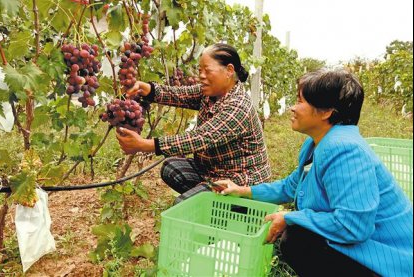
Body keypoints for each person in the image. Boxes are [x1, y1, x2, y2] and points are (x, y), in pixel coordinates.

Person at [215, 69, 413, 277]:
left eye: (300, 101)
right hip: (372, 246)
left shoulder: (345, 150)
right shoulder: (318, 143)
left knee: (297, 239)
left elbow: (354, 226)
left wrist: (291, 216)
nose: (292, 107)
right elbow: (292, 186)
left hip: (391, 261)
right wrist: (242, 191)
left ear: (326, 111)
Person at [116, 43, 271, 203]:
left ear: (229, 71)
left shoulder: (238, 106)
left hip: (242, 180)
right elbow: (178, 95)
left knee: (183, 205)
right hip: (214, 171)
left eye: (207, 71)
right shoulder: (211, 93)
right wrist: (147, 89)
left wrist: (145, 145)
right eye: (200, 71)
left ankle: (224, 208)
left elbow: (200, 138)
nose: (201, 76)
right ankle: (210, 203)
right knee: (171, 169)